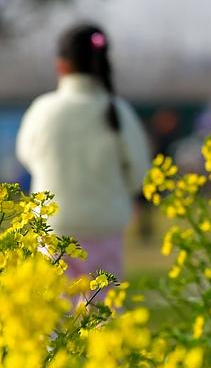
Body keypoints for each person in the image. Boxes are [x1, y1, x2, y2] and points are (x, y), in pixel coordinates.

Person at [15, 23, 150, 283]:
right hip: (106, 226)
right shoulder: (119, 111)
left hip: (53, 227)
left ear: (61, 65)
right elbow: (138, 172)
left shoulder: (43, 110)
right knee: (102, 305)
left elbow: (26, 155)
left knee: (54, 305)